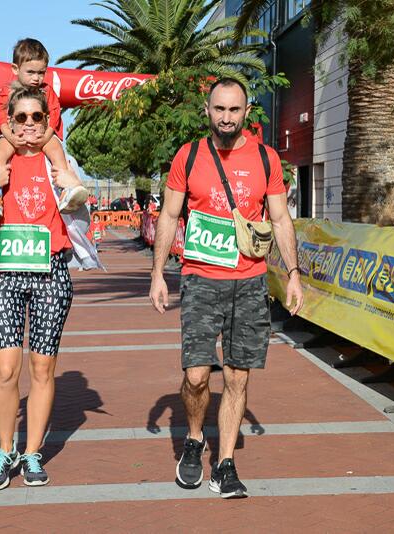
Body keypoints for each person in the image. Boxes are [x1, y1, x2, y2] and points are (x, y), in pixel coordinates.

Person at [149, 78, 303, 499]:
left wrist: (292, 272)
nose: (227, 117)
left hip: (249, 282)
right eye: (220, 109)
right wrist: (158, 272)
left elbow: (281, 219)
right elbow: (168, 215)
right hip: (200, 280)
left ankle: (227, 465)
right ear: (207, 110)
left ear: (247, 111)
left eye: (235, 110)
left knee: (237, 376)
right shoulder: (189, 155)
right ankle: (195, 439)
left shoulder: (267, 159)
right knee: (197, 376)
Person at [0, 84, 102, 491]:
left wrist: (70, 188)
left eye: (36, 118)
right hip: (3, 272)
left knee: (42, 367)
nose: (28, 127)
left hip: (51, 270)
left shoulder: (61, 160)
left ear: (48, 122)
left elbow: (84, 216)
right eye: (20, 119)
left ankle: (33, 452)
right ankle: (5, 451)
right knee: (6, 368)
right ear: (8, 123)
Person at [0, 38, 87, 218]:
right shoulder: (7, 90)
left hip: (45, 135)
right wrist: (9, 136)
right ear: (15, 69)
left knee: (56, 149)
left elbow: (55, 114)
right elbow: (0, 113)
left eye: (41, 73)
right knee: (0, 151)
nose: (36, 78)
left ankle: (67, 188)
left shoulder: (47, 91)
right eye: (31, 72)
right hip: (11, 135)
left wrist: (46, 135)